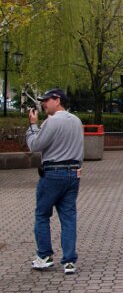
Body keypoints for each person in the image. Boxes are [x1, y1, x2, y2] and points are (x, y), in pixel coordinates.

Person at [26, 88, 84, 275]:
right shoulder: (76, 121)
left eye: (46, 100)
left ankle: (44, 256)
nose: (43, 103)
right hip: (73, 173)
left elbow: (35, 145)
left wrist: (33, 126)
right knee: (68, 217)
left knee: (42, 214)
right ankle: (69, 261)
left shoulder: (51, 122)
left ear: (57, 100)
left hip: (52, 173)